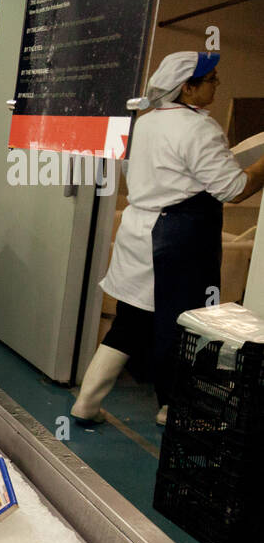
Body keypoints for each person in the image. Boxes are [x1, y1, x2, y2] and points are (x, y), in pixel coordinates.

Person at [73, 51, 264, 425]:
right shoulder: (197, 128)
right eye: (211, 79)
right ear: (188, 88)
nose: (217, 84)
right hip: (176, 239)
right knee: (182, 325)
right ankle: (171, 408)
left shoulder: (144, 123)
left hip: (138, 230)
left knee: (129, 322)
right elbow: (234, 189)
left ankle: (85, 404)